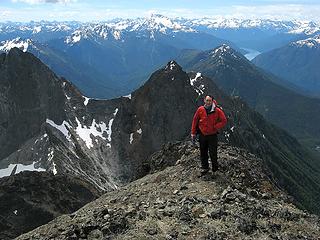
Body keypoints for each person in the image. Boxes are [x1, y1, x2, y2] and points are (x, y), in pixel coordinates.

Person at [191, 95, 227, 175]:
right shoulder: (200, 109)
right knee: (203, 152)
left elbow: (224, 120)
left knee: (213, 153)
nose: (208, 102)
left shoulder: (217, 110)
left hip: (212, 135)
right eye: (207, 100)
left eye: (209, 100)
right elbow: (195, 120)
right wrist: (193, 133)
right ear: (204, 100)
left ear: (212, 101)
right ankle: (205, 168)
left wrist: (216, 127)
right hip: (202, 134)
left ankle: (215, 169)